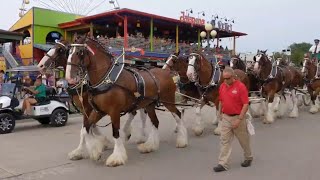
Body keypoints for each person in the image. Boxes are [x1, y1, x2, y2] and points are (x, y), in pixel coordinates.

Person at [213, 67, 253, 172]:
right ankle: (223, 164)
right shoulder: (222, 86)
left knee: (243, 140)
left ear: (233, 76)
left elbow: (245, 104)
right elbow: (221, 100)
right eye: (224, 78)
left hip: (238, 117)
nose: (226, 81)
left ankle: (248, 157)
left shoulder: (240, 87)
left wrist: (239, 119)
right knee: (224, 140)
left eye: (228, 78)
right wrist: (220, 112)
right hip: (226, 117)